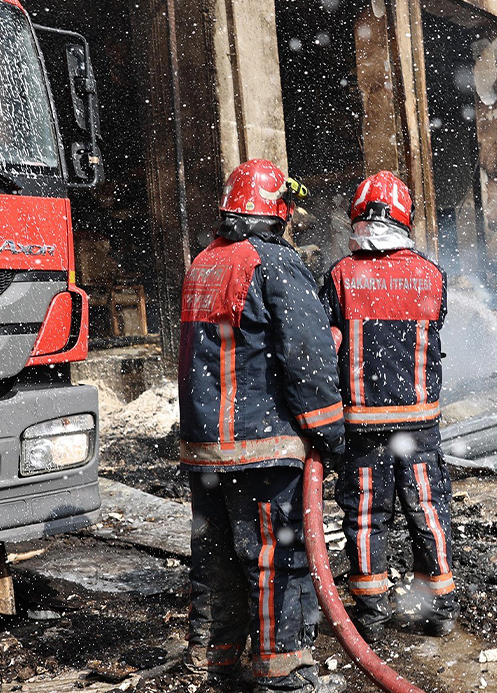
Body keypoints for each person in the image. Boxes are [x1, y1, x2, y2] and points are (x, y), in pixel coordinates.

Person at [178, 159, 345, 693]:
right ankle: (282, 669)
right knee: (275, 558)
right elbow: (306, 353)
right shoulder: (273, 263)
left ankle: (213, 660)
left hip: (205, 448)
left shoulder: (204, 261)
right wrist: (328, 432)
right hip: (259, 444)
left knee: (217, 558)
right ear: (277, 211)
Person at [319, 171, 455, 642]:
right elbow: (436, 323)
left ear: (358, 217)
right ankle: (440, 609)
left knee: (365, 518)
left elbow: (325, 342)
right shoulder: (431, 274)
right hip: (419, 424)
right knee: (428, 510)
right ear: (404, 218)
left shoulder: (340, 275)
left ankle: (371, 615)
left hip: (362, 426)